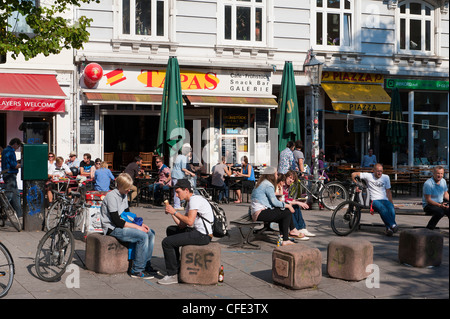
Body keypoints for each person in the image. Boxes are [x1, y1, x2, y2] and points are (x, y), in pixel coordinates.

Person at [100, 173, 156, 279]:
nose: (128, 191)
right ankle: (137, 270)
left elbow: (128, 215)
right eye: (127, 188)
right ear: (120, 186)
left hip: (122, 224)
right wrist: (137, 227)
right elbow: (117, 221)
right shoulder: (111, 197)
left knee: (151, 233)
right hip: (112, 228)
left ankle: (146, 264)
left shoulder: (124, 195)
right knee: (142, 236)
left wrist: (140, 224)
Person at [159, 179, 213, 285]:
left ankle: (172, 274)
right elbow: (182, 225)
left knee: (166, 242)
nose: (177, 195)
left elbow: (189, 221)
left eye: (178, 192)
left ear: (186, 190)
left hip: (203, 235)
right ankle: (177, 266)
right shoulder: (190, 201)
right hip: (199, 232)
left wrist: (174, 211)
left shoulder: (194, 200)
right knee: (171, 230)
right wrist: (172, 213)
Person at [250, 166, 305, 245]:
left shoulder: (263, 182)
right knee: (287, 212)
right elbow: (274, 202)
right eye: (276, 174)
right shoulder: (268, 185)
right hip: (259, 213)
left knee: (284, 212)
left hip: (256, 211)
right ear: (271, 175)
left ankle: (283, 236)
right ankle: (286, 238)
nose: (277, 176)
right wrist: (288, 206)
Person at [351, 163, 398, 236]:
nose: (380, 173)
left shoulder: (386, 177)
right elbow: (353, 174)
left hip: (384, 199)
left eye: (381, 171)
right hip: (374, 200)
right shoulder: (369, 176)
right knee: (382, 209)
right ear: (373, 171)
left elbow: (388, 191)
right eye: (378, 171)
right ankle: (393, 225)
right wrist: (357, 184)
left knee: (391, 208)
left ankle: (389, 229)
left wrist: (391, 203)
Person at [282, 171, 316, 238]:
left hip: (284, 203)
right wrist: (297, 202)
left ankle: (302, 228)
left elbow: (287, 198)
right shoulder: (282, 185)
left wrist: (297, 201)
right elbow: (283, 199)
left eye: (293, 179)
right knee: (291, 207)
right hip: (280, 204)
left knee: (296, 206)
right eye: (290, 178)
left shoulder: (287, 186)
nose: (291, 180)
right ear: (286, 177)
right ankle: (295, 229)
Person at [1, 138, 23, 217]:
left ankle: (19, 214)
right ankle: (2, 211)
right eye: (18, 146)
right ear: (15, 144)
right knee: (9, 195)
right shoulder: (10, 151)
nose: (18, 148)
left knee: (16, 195)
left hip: (7, 174)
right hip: (10, 175)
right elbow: (14, 166)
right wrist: (24, 164)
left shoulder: (6, 150)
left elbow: (10, 163)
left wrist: (18, 161)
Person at [422, 166, 449, 230]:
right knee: (440, 212)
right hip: (429, 205)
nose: (440, 175)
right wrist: (440, 205)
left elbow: (445, 194)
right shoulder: (428, 184)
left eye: (441, 173)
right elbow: (428, 200)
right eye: (438, 173)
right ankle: (429, 229)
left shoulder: (443, 181)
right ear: (433, 173)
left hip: (440, 203)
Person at [171, 144, 195, 209]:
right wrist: (191, 173)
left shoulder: (179, 156)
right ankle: (177, 205)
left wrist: (186, 172)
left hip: (174, 174)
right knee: (178, 190)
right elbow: (183, 168)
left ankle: (178, 204)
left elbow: (178, 167)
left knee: (177, 190)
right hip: (178, 175)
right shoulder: (184, 158)